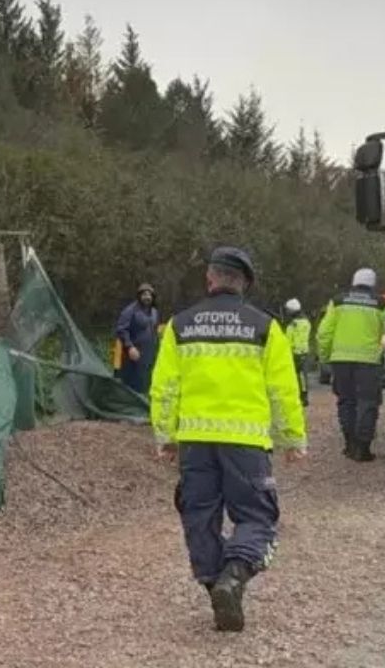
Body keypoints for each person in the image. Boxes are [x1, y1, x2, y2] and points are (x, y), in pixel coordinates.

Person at [150, 247, 307, 633]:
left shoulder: (179, 326)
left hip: (195, 441)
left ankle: (214, 585)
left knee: (199, 516)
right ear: (245, 284)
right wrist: (292, 438)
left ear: (210, 279)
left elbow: (164, 387)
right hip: (246, 443)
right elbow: (283, 390)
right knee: (256, 516)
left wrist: (166, 435)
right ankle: (234, 577)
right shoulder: (265, 327)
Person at [317, 268, 385, 462]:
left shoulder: (338, 301)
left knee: (346, 401)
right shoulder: (381, 304)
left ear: (354, 281)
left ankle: (349, 445)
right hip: (369, 362)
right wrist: (384, 355)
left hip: (340, 361)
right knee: (368, 403)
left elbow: (324, 333)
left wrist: (325, 357)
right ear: (373, 283)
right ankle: (363, 449)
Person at [115, 283, 160, 395]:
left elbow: (155, 331)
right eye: (144, 294)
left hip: (149, 355)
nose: (147, 297)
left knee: (147, 383)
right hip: (134, 355)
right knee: (133, 385)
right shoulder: (130, 311)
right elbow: (121, 329)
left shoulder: (154, 312)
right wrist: (130, 347)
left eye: (149, 295)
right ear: (139, 296)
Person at [284, 298, 312, 407]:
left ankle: (300, 396)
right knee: (302, 376)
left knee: (296, 375)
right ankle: (304, 396)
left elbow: (289, 339)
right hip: (303, 352)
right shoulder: (306, 322)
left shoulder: (293, 324)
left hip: (295, 353)